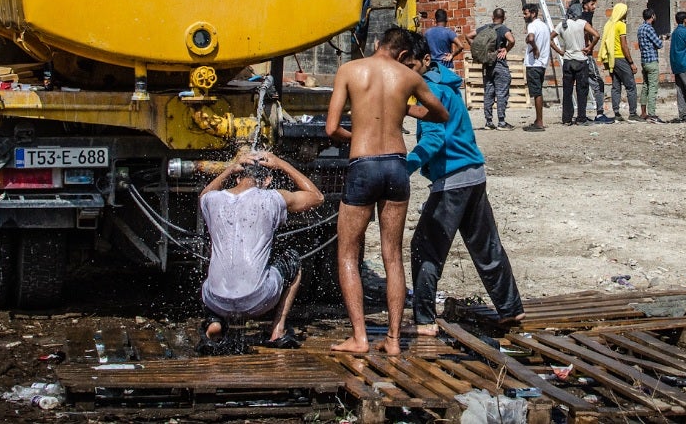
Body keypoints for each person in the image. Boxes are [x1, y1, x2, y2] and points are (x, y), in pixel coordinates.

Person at [325, 27, 449, 355]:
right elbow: (441, 113)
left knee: (349, 253)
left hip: (363, 165)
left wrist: (360, 137)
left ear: (378, 44)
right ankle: (393, 340)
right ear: (404, 55)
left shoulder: (350, 70)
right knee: (392, 254)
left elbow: (331, 127)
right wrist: (407, 110)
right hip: (396, 164)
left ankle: (360, 337)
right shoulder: (408, 77)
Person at [403, 35, 524, 335]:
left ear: (426, 61)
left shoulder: (429, 90)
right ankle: (511, 309)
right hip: (474, 174)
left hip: (452, 182)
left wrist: (403, 167)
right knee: (486, 247)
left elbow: (432, 139)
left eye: (410, 66)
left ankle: (424, 320)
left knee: (425, 249)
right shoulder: (448, 85)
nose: (406, 72)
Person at [198, 149, 324, 354]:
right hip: (258, 299)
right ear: (267, 180)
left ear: (238, 176)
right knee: (292, 260)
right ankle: (278, 329)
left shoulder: (213, 199)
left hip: (216, 299)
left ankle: (214, 321)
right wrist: (281, 162)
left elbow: (202, 195)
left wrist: (228, 170)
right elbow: (317, 197)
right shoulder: (272, 199)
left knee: (211, 261)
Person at [466, 8, 516, 130]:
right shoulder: (503, 29)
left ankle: (488, 122)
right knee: (501, 92)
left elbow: (468, 36)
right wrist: (506, 50)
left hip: (487, 64)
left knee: (488, 92)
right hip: (499, 63)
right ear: (504, 18)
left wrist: (479, 50)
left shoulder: (485, 28)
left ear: (492, 16)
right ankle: (502, 122)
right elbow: (512, 40)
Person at [552, 2, 599, 125]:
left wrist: (560, 51)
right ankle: (581, 118)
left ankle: (567, 118)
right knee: (581, 90)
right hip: (581, 60)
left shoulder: (562, 24)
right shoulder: (582, 23)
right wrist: (589, 47)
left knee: (567, 91)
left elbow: (550, 38)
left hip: (568, 60)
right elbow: (596, 35)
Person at [598, 2, 641, 121]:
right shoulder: (621, 25)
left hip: (612, 59)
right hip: (621, 58)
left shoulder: (609, 24)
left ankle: (616, 113)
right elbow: (624, 45)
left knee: (616, 86)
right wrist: (631, 62)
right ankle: (632, 113)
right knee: (631, 86)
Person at [581, 0, 613, 123]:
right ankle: (600, 114)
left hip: (578, 56)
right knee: (598, 83)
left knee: (583, 84)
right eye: (592, 4)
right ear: (585, 5)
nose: (594, 7)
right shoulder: (586, 17)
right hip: (586, 56)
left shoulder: (578, 18)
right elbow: (591, 34)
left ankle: (581, 115)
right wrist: (589, 47)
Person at [522, 3, 551, 130]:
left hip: (534, 64)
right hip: (542, 63)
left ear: (533, 13)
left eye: (526, 13)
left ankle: (539, 122)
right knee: (538, 90)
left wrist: (534, 48)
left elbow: (532, 37)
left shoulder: (532, 25)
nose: (524, 16)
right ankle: (537, 119)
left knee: (536, 92)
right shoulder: (544, 26)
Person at [636, 8, 664, 122]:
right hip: (652, 61)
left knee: (645, 86)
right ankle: (652, 113)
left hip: (644, 61)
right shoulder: (649, 28)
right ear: (652, 16)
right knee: (653, 87)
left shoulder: (640, 28)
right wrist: (661, 39)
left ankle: (643, 112)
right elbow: (659, 44)